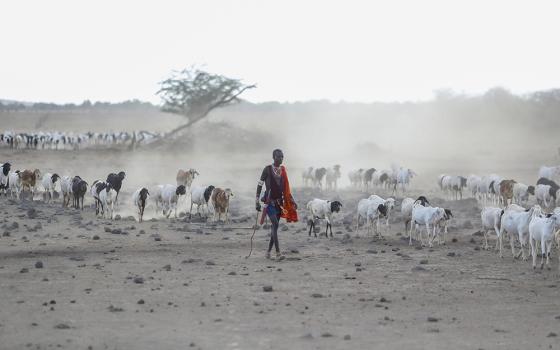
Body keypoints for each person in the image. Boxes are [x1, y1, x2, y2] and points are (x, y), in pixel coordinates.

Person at [256, 149, 298, 260]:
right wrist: (256, 201)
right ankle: (278, 253)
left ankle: (268, 252)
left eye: (282, 157)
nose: (281, 159)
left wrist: (292, 200)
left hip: (279, 203)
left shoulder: (283, 170)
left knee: (275, 227)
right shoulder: (267, 169)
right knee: (275, 224)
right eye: (279, 157)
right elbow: (260, 185)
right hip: (269, 202)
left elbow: (286, 189)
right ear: (274, 157)